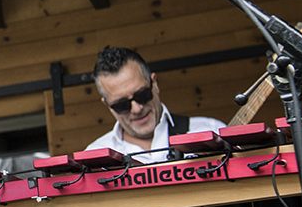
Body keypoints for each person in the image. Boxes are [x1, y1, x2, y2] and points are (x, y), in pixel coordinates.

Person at [85, 46, 225, 164]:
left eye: (142, 95)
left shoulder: (212, 132)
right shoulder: (95, 157)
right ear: (108, 105)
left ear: (155, 84)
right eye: (122, 105)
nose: (137, 109)